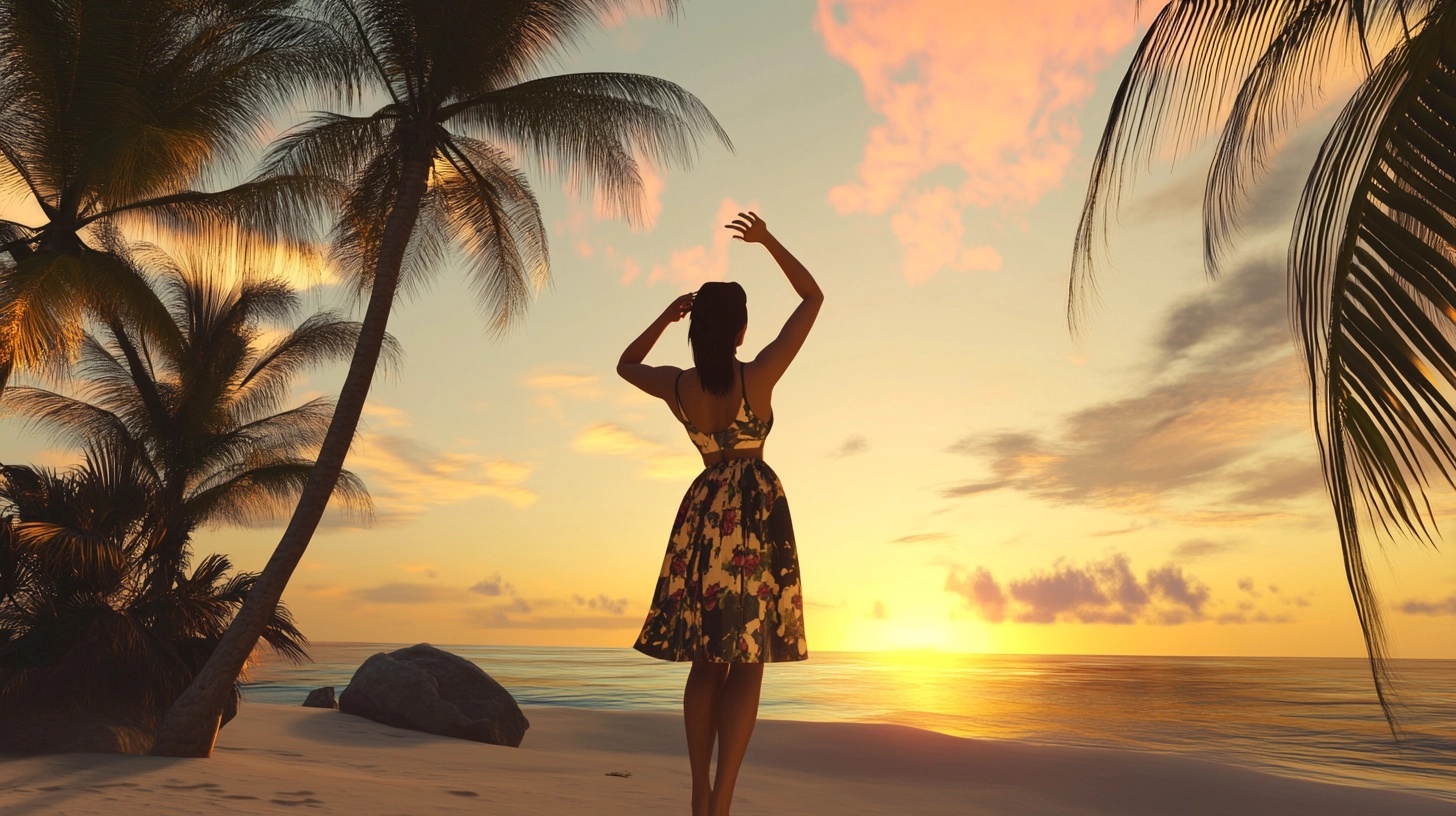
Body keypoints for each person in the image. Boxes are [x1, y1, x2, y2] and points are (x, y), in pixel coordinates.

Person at [616, 211, 823, 816]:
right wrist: (767, 242)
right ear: (738, 332)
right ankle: (722, 800)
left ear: (697, 330)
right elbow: (812, 298)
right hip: (753, 520)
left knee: (708, 661)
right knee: (748, 659)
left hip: (704, 517)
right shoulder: (755, 376)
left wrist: (664, 316)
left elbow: (626, 364)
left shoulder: (678, 386)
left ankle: (699, 791)